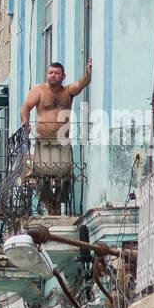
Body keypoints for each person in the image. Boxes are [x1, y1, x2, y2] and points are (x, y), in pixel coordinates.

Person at [21, 60, 91, 213]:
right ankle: (49, 206)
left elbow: (81, 84)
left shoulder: (68, 91)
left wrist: (88, 74)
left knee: (64, 176)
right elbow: (26, 106)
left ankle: (57, 205)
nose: (53, 75)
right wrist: (25, 122)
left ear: (63, 76)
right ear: (47, 74)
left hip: (62, 141)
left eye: (56, 73)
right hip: (43, 141)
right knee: (42, 176)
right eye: (50, 73)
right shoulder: (39, 90)